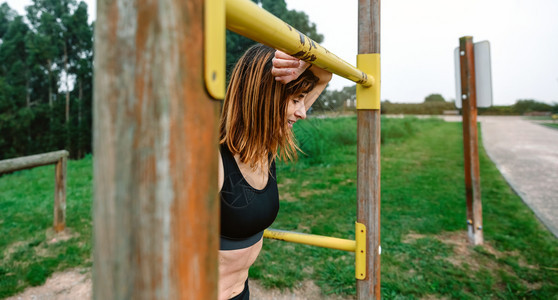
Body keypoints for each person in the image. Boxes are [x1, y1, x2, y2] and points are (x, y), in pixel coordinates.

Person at [217, 44, 332, 300]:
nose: (303, 112)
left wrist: (300, 60)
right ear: (264, 97)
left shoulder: (265, 147)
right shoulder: (215, 161)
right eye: (295, 100)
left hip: (240, 293)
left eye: (302, 100)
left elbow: (324, 74)